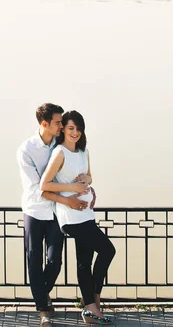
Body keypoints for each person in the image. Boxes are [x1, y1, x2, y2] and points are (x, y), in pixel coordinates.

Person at [17, 103, 90, 327]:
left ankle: (41, 294)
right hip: (35, 211)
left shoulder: (59, 144)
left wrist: (88, 185)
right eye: (58, 123)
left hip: (56, 213)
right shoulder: (26, 150)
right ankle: (43, 310)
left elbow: (74, 172)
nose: (62, 126)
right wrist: (67, 199)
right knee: (34, 259)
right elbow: (39, 188)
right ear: (44, 124)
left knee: (55, 261)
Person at [41, 110, 116, 325]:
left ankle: (90, 309)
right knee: (108, 250)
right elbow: (45, 185)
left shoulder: (84, 151)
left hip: (86, 212)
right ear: (63, 128)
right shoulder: (59, 152)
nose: (75, 133)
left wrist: (87, 180)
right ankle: (94, 301)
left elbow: (90, 176)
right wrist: (72, 188)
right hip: (70, 216)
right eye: (71, 128)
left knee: (85, 262)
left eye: (78, 128)